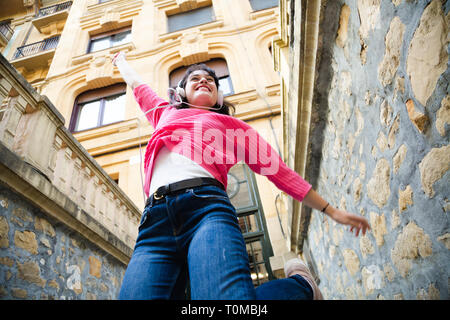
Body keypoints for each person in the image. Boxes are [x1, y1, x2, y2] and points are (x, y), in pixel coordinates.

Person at [112, 52, 370, 300]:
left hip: (206, 211)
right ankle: (299, 288)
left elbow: (279, 172)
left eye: (211, 81)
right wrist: (120, 60)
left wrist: (331, 211)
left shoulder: (233, 128)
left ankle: (301, 286)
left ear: (219, 97)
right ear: (180, 93)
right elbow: (137, 84)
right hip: (154, 222)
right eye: (195, 79)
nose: (204, 81)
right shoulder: (163, 113)